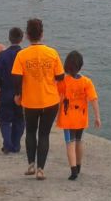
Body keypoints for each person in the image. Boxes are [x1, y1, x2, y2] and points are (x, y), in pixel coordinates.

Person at [12, 18, 64, 179]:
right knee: (44, 134)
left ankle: (31, 165)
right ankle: (41, 169)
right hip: (50, 100)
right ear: (42, 34)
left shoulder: (22, 55)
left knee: (30, 131)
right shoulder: (52, 53)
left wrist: (18, 95)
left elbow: (16, 78)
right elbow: (60, 76)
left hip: (30, 101)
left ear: (27, 35)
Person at [56, 50, 101, 180]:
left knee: (70, 143)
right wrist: (97, 117)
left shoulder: (63, 81)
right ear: (80, 65)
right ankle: (79, 165)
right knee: (79, 141)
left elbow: (58, 99)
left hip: (67, 118)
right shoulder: (87, 82)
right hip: (81, 117)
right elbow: (93, 99)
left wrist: (54, 114)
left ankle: (73, 170)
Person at [0, 27, 25, 155]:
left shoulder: (2, 55)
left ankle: (7, 144)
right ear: (22, 39)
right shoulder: (24, 54)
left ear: (9, 38)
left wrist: (2, 84)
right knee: (19, 119)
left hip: (6, 90)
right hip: (21, 91)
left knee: (4, 120)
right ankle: (16, 144)